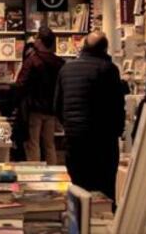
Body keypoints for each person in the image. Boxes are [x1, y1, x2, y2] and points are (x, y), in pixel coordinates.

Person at [54, 30, 125, 203]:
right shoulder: (109, 69)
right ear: (105, 49)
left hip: (74, 140)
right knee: (104, 191)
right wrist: (117, 132)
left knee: (78, 188)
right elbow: (117, 106)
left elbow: (57, 105)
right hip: (102, 141)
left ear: (84, 46)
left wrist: (69, 126)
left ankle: (79, 226)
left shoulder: (66, 69)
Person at [16, 27, 64, 164]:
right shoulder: (60, 63)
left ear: (40, 42)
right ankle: (53, 173)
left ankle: (34, 172)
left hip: (34, 109)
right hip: (51, 110)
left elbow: (21, 83)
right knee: (49, 144)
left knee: (33, 143)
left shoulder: (32, 61)